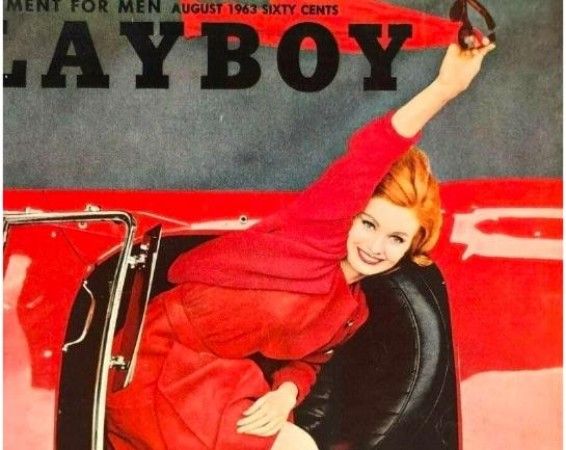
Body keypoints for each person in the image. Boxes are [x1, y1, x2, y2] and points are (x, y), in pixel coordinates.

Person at [106, 39, 495, 450]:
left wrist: (287, 393)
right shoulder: (315, 240)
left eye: (396, 238)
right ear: (350, 214)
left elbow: (309, 361)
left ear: (412, 247)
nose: (377, 246)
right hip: (157, 363)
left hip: (217, 378)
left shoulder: (353, 309)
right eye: (368, 224)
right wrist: (444, 89)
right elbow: (371, 153)